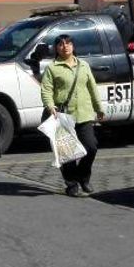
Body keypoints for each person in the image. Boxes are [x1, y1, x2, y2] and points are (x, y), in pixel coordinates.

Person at [40, 34, 104, 198]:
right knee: (67, 153)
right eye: (60, 44)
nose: (65, 46)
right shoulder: (52, 68)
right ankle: (71, 184)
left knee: (91, 147)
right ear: (56, 48)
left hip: (83, 114)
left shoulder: (83, 65)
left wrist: (99, 108)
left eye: (68, 43)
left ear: (73, 46)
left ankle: (83, 177)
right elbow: (46, 89)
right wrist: (50, 105)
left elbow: (92, 88)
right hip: (62, 115)